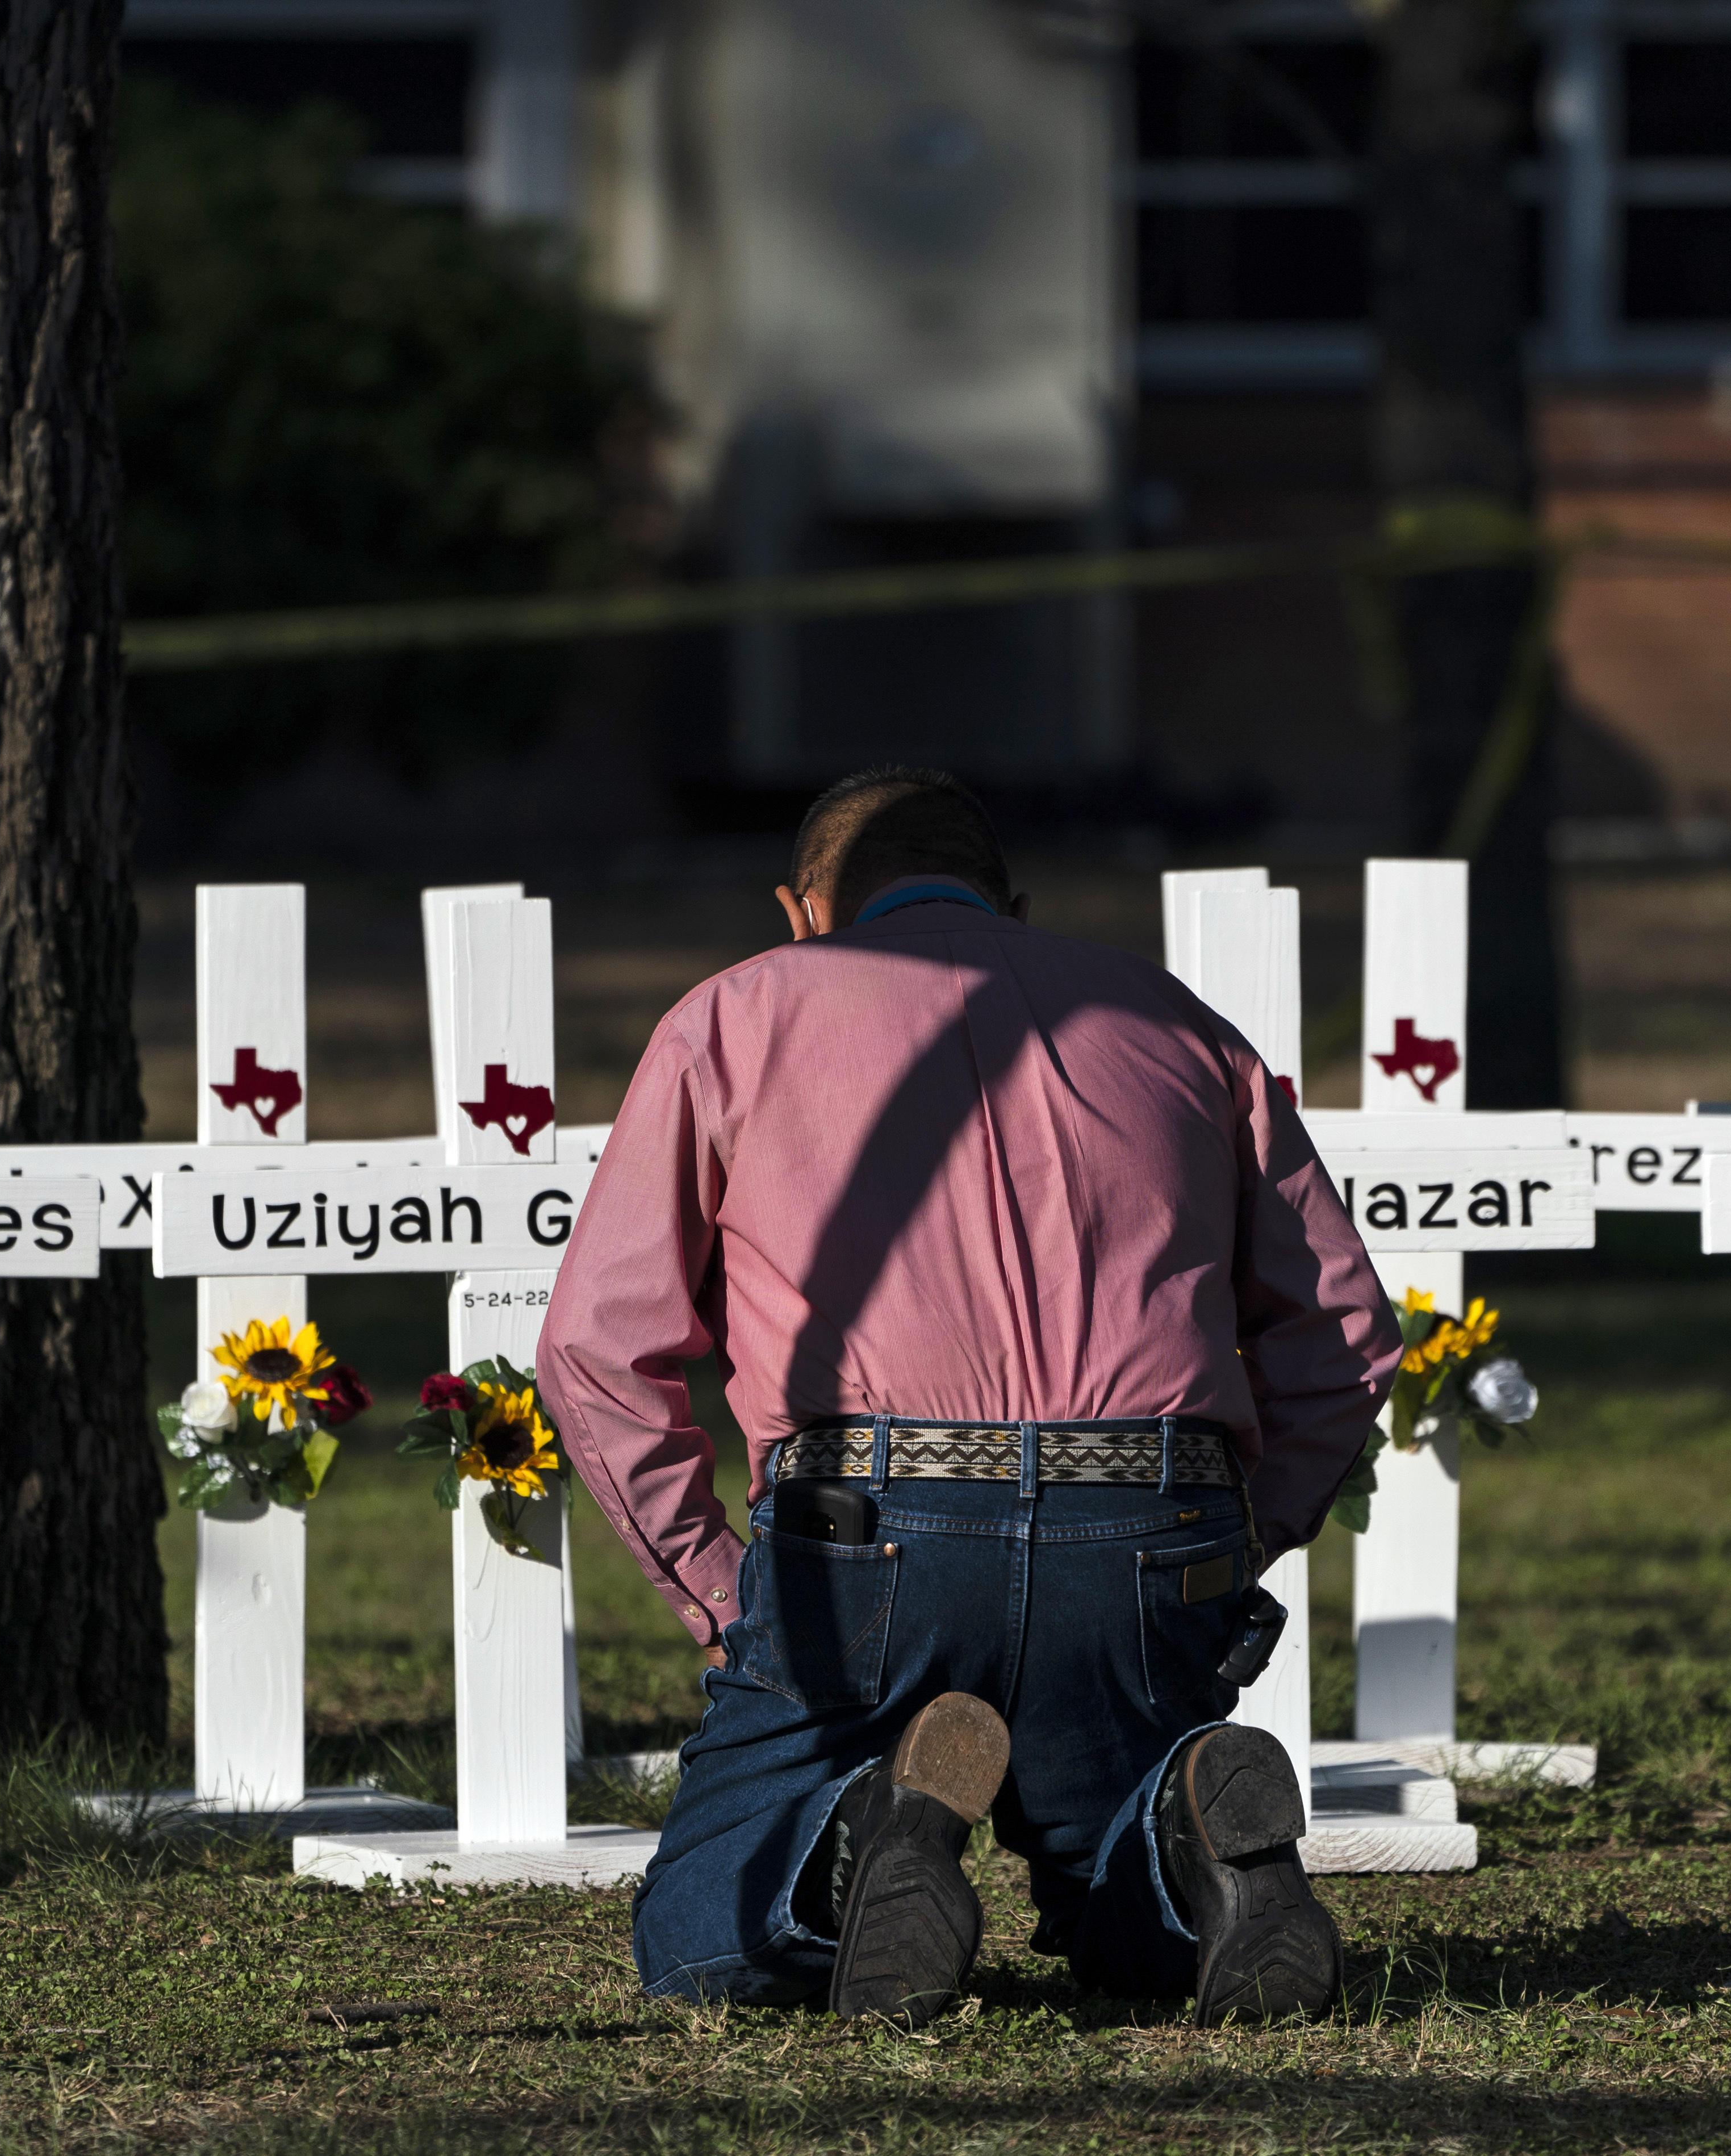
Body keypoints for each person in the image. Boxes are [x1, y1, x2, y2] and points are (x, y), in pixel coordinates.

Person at [538, 766, 1399, 2027]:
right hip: (1151, 1517)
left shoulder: (735, 1015)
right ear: (1014, 903)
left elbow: (599, 1345)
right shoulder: (1181, 1023)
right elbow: (1346, 1331)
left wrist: (716, 1583)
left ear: (801, 908)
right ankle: (1185, 1825)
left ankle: (858, 1836)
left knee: (704, 1934)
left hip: (870, 1527)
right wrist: (1243, 1531)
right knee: (1125, 1912)